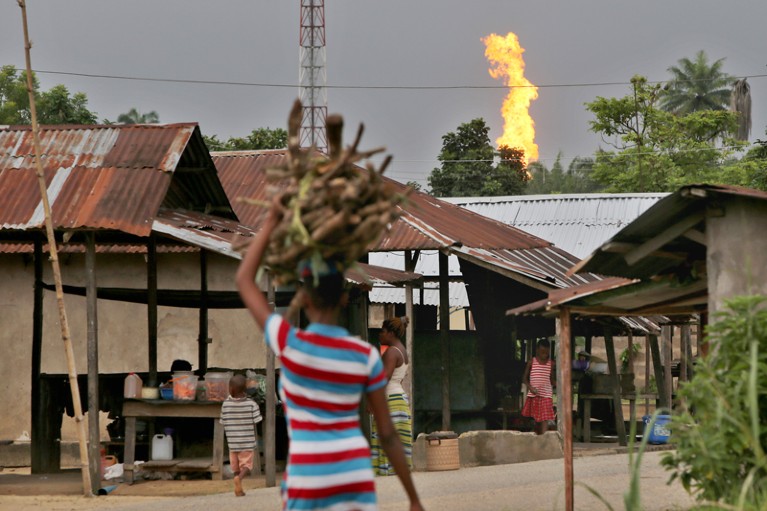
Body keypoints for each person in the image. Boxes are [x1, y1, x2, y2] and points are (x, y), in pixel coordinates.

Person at [235, 198, 424, 511]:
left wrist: (272, 222)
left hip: (307, 478)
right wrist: (413, 498)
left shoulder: (290, 345)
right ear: (343, 298)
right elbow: (387, 434)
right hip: (353, 475)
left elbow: (244, 279)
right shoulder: (364, 355)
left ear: (304, 297)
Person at [371, 316, 412, 476]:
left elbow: (384, 379)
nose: (380, 335)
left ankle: (387, 471)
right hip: (399, 399)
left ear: (391, 334)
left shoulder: (391, 353)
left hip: (390, 400)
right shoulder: (402, 350)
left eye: (382, 332)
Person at [220, 373, 263, 497]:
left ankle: (238, 487)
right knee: (247, 466)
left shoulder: (225, 404)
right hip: (247, 442)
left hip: (232, 443)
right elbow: (257, 420)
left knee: (236, 467)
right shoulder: (251, 404)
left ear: (231, 389)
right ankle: (239, 479)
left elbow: (223, 421)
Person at [522, 339, 556, 435]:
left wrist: (561, 384)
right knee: (537, 418)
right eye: (542, 352)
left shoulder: (551, 364)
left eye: (546, 352)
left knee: (544, 418)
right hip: (534, 394)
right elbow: (524, 379)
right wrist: (530, 388)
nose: (544, 354)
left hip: (546, 394)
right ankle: (537, 436)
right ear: (537, 350)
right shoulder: (531, 362)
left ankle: (544, 438)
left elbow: (552, 380)